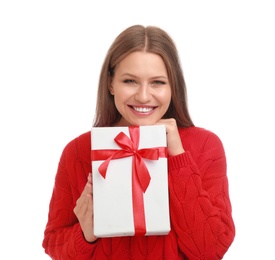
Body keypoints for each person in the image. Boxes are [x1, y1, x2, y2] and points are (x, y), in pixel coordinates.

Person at [42, 24, 235, 259]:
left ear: (173, 86)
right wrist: (86, 234)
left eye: (158, 82)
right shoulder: (78, 151)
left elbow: (210, 250)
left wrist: (178, 158)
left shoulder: (205, 145)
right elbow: (53, 244)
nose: (143, 96)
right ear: (111, 84)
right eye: (130, 81)